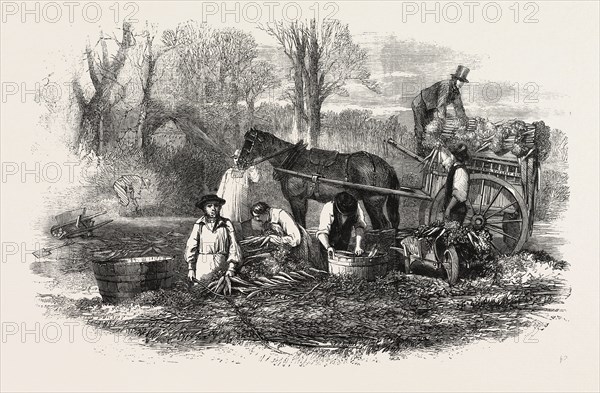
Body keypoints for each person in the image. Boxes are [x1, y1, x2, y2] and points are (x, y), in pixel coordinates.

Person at [411, 65, 470, 156]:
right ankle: (419, 151)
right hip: (420, 103)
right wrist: (442, 119)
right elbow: (441, 104)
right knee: (421, 127)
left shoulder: (456, 92)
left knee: (429, 128)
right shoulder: (445, 86)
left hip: (430, 107)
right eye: (460, 80)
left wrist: (464, 120)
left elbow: (459, 108)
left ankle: (426, 149)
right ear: (455, 79)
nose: (461, 84)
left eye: (463, 82)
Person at [185, 194, 243, 282]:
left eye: (216, 205)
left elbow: (234, 246)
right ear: (204, 208)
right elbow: (191, 246)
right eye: (209, 206)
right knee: (202, 289)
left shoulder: (227, 224)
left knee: (221, 291)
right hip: (203, 265)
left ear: (220, 207)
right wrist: (191, 269)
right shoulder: (199, 224)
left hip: (222, 264)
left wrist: (231, 268)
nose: (213, 208)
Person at [316, 192, 367, 262]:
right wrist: (328, 247)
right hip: (326, 244)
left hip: (344, 243)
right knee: (327, 265)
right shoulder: (328, 208)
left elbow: (359, 226)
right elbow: (322, 232)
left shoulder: (355, 206)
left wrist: (358, 246)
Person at [217, 149, 260, 230]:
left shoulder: (247, 171)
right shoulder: (228, 172)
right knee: (228, 222)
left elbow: (256, 179)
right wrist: (218, 201)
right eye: (235, 158)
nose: (237, 160)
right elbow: (221, 188)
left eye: (239, 158)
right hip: (228, 203)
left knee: (244, 222)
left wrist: (252, 166)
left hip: (242, 202)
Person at [441, 143, 471, 224]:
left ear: (455, 157)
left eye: (451, 154)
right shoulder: (455, 167)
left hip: (456, 212)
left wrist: (448, 209)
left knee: (453, 234)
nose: (450, 156)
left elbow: (459, 194)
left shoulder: (460, 171)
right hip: (453, 210)